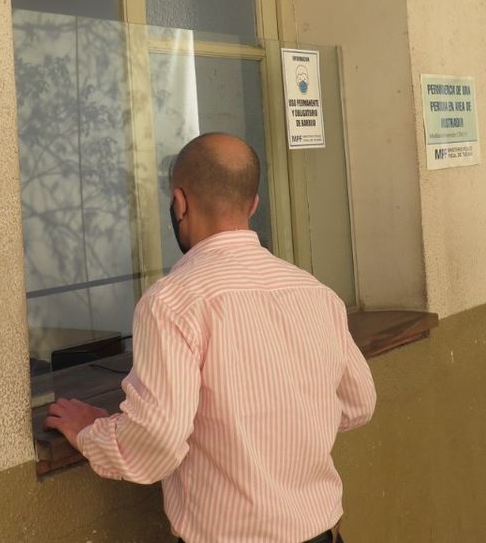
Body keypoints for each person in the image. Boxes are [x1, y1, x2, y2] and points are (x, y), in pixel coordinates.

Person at [45, 132, 377, 543]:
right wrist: (288, 424)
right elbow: (359, 403)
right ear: (253, 205)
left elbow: (156, 441)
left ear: (179, 203)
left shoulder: (172, 302)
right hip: (323, 533)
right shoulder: (314, 292)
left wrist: (91, 432)